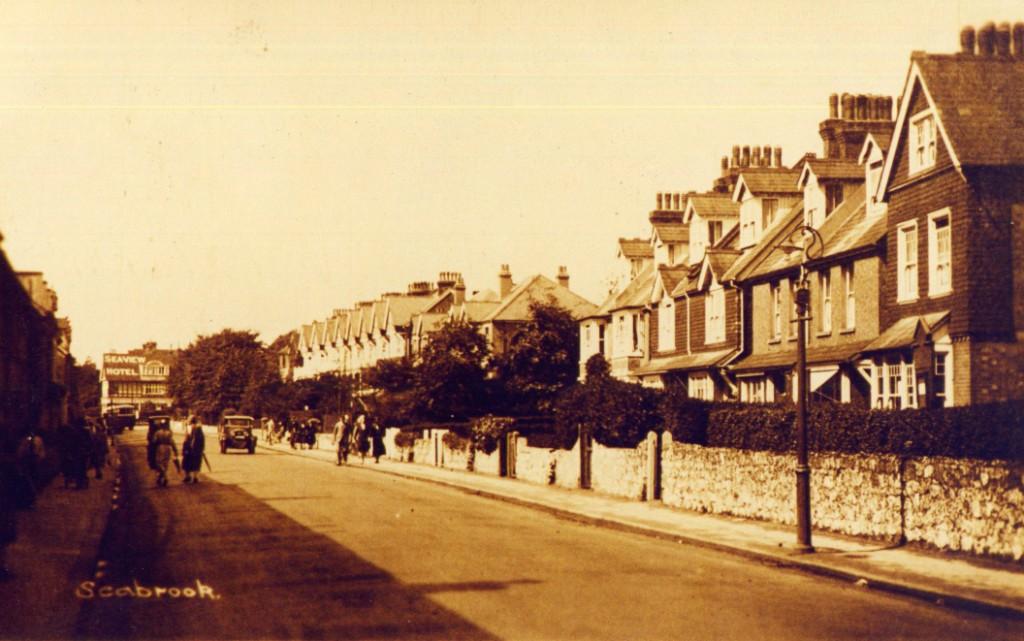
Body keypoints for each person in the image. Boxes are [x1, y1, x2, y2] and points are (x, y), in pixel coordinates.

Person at [151, 420, 179, 488]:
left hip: (160, 448)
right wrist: (175, 450)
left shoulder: (157, 432)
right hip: (168, 448)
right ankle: (161, 478)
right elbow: (172, 442)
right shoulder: (169, 433)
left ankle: (165, 477)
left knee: (159, 463)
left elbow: (154, 441)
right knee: (165, 464)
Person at [181, 416, 205, 484]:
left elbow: (186, 439)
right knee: (195, 463)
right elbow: (202, 440)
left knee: (187, 463)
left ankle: (188, 476)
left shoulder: (190, 428)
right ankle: (195, 477)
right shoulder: (199, 429)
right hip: (196, 450)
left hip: (190, 449)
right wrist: (201, 449)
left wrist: (185, 448)